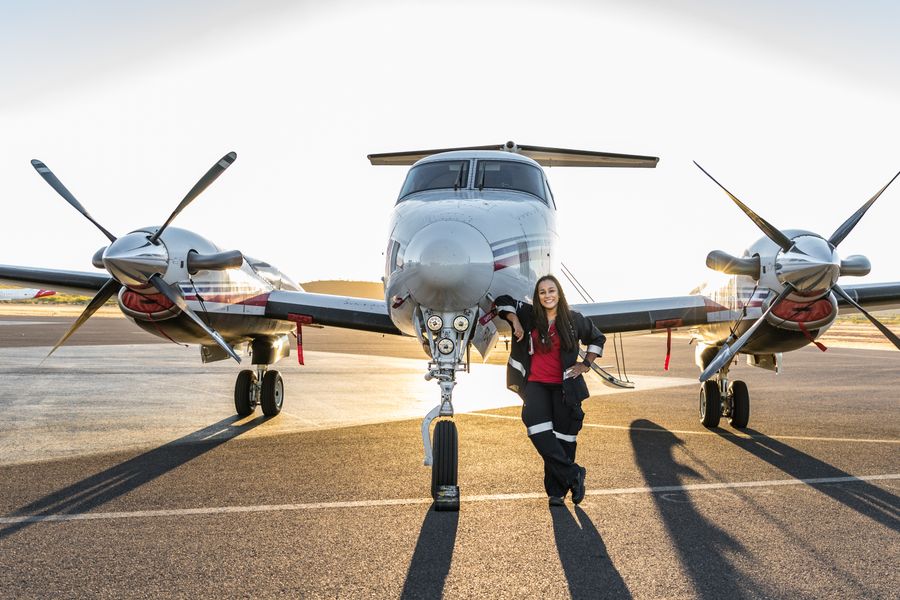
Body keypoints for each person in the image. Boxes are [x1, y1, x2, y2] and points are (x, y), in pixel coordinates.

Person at [495, 275, 606, 507]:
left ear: (559, 293)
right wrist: (515, 322)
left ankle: (557, 492)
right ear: (537, 296)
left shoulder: (574, 319)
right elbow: (502, 301)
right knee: (537, 430)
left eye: (551, 290)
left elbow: (597, 338)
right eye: (542, 292)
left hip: (565, 386)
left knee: (564, 438)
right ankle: (574, 474)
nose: (547, 295)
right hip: (535, 384)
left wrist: (585, 364)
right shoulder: (528, 315)